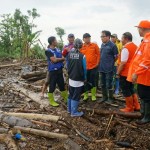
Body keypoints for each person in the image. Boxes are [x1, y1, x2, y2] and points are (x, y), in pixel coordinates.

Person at [127, 20, 150, 124]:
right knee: (143, 94)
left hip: (145, 75)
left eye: (138, 28)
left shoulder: (148, 41)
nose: (137, 30)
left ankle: (147, 117)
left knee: (146, 96)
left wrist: (137, 73)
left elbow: (147, 60)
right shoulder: (145, 40)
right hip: (142, 75)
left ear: (143, 29)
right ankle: (143, 114)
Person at [116, 32, 140, 112]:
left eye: (122, 38)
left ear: (126, 39)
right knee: (131, 89)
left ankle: (129, 107)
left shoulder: (125, 48)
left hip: (125, 72)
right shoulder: (136, 47)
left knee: (126, 89)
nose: (121, 40)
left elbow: (123, 62)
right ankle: (136, 105)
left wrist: (118, 73)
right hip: (132, 72)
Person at [45, 36, 68, 107]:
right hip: (52, 71)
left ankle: (66, 99)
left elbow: (62, 58)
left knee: (62, 85)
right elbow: (54, 60)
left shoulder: (57, 49)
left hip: (59, 70)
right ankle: (51, 101)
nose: (57, 41)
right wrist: (60, 59)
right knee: (52, 86)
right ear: (52, 42)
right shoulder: (48, 51)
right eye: (56, 40)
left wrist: (59, 59)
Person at [67, 38, 86, 117]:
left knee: (71, 94)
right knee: (76, 95)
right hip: (78, 79)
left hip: (71, 77)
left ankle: (69, 109)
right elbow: (84, 69)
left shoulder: (69, 54)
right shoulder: (82, 56)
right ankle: (74, 112)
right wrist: (85, 78)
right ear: (81, 45)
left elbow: (67, 66)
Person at [99, 30, 118, 104]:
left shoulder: (113, 45)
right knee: (102, 84)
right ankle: (104, 97)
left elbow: (116, 57)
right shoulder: (102, 45)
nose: (101, 38)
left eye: (102, 36)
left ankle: (111, 98)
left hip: (109, 68)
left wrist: (110, 63)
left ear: (108, 37)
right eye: (101, 36)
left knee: (109, 84)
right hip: (102, 68)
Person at [80, 33, 100, 101]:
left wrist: (97, 63)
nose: (87, 39)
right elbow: (80, 56)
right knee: (85, 81)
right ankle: (86, 95)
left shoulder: (94, 45)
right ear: (83, 39)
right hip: (85, 68)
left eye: (88, 37)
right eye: (86, 38)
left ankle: (93, 95)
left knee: (93, 81)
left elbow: (98, 55)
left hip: (93, 67)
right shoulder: (81, 46)